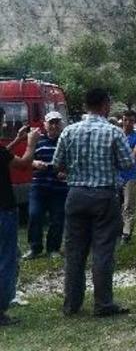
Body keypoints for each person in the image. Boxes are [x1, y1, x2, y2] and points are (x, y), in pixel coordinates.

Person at [52, 88, 135, 317]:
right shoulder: (113, 132)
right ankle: (103, 304)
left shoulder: (69, 131)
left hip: (76, 194)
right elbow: (128, 164)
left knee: (74, 252)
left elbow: (56, 164)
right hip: (104, 195)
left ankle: (71, 305)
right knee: (103, 251)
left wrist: (74, 171)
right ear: (105, 104)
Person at [0, 111, 39, 326]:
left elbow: (3, 155)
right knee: (7, 258)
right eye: (2, 120)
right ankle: (1, 309)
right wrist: (31, 144)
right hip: (3, 210)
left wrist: (16, 140)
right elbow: (24, 163)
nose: (5, 123)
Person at [23, 112, 68, 260]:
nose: (54, 125)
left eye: (57, 123)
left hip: (59, 188)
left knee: (57, 218)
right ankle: (34, 248)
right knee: (34, 215)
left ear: (61, 124)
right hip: (39, 186)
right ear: (45, 124)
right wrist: (35, 163)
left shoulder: (66, 141)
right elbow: (26, 160)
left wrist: (65, 171)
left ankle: (53, 248)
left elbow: (74, 163)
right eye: (51, 122)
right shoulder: (38, 140)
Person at [118, 109, 136, 244]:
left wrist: (117, 157)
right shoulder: (116, 134)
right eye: (125, 120)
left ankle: (126, 233)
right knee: (115, 205)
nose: (128, 123)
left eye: (131, 120)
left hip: (130, 175)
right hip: (115, 175)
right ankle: (117, 230)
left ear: (135, 122)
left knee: (128, 205)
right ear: (122, 120)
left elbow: (134, 155)